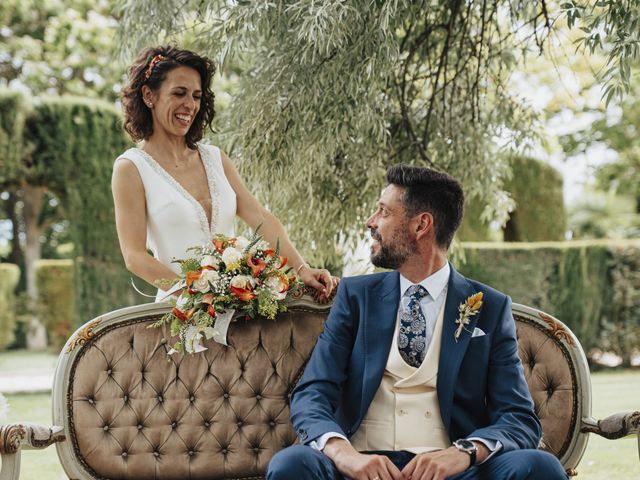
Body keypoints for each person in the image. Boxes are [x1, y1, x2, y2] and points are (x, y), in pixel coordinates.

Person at [267, 165, 567, 480]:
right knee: (291, 465)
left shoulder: (489, 306)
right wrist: (346, 456)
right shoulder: (356, 297)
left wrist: (462, 453)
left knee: (541, 468)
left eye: (383, 212)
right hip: (359, 468)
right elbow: (313, 391)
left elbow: (518, 418)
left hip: (452, 471)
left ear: (421, 224)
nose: (371, 222)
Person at [111, 45, 335, 301]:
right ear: (149, 96)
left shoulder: (215, 158)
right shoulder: (131, 168)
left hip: (238, 308)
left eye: (196, 96)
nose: (189, 105)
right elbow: (134, 257)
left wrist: (302, 268)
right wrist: (196, 297)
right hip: (180, 314)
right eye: (179, 93)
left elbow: (259, 216)